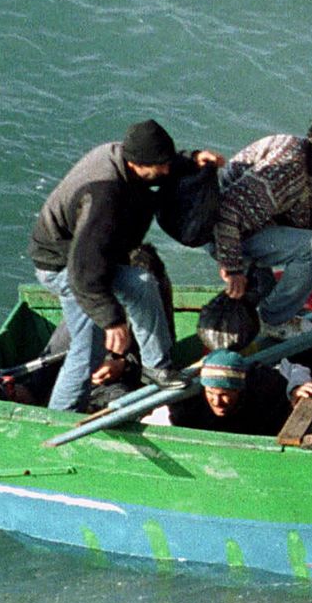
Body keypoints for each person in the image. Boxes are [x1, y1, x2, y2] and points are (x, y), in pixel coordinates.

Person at [29, 120, 223, 411]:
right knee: (89, 350)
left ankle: (157, 368)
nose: (167, 171)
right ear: (136, 164)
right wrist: (112, 321)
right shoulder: (103, 196)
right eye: (161, 166)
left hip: (96, 260)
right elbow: (84, 273)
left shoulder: (126, 157)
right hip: (64, 267)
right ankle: (59, 415)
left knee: (142, 284)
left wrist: (191, 160)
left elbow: (160, 164)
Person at [213, 106, 312, 340]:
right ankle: (272, 321)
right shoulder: (289, 166)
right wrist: (233, 268)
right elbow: (228, 211)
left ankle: (267, 313)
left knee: (270, 287)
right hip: (222, 229)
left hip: (250, 225)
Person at [161, 349, 312, 433]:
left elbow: (293, 368)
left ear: (239, 389)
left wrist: (295, 388)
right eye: (210, 393)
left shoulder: (263, 383)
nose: (217, 401)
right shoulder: (189, 404)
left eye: (224, 394)